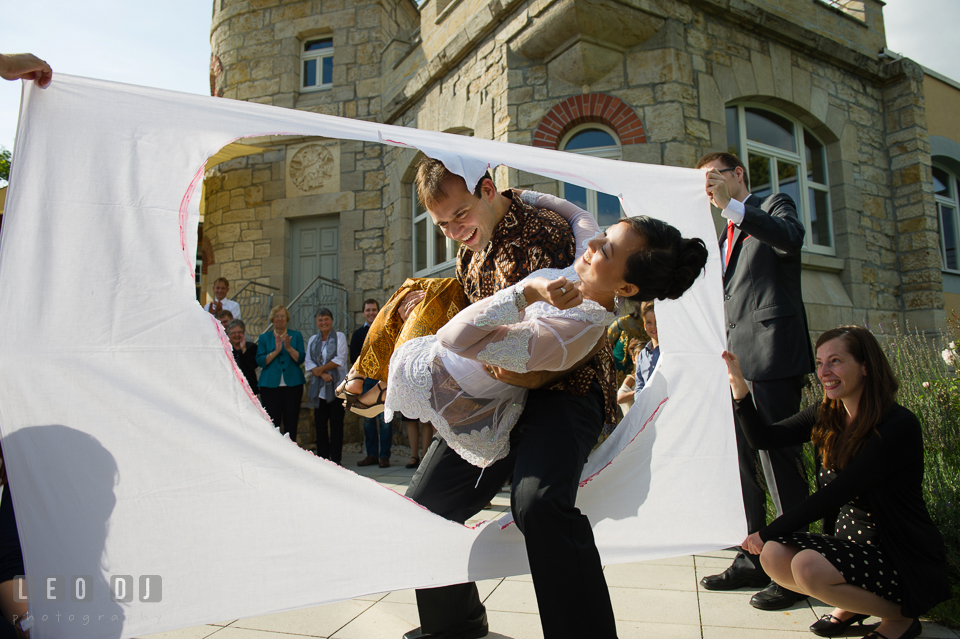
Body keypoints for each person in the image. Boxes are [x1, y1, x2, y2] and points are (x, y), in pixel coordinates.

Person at [383, 158, 706, 639]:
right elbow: (580, 224)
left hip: (567, 391)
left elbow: (581, 327)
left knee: (540, 505)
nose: (454, 230)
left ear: (487, 191)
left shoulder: (547, 235)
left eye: (460, 214)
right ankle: (456, 624)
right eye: (443, 224)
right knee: (424, 507)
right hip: (500, 395)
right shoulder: (469, 253)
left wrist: (530, 368)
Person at [385, 218, 706, 470]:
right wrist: (510, 197)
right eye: (605, 234)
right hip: (431, 355)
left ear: (626, 287)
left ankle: (371, 390)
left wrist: (530, 292)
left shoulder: (568, 332)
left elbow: (452, 339)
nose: (594, 243)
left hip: (441, 380)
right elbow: (577, 215)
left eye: (606, 249)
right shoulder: (587, 274)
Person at [725, 326, 950, 639]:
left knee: (805, 566)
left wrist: (766, 531)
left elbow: (836, 494)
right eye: (819, 363)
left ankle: (901, 618)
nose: (824, 372)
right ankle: (854, 604)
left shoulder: (897, 425)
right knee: (773, 556)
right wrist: (737, 382)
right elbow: (764, 438)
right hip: (849, 547)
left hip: (896, 553)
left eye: (835, 361)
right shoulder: (827, 415)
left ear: (865, 366)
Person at [696, 151, 814, 611]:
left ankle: (794, 569)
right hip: (733, 365)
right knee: (741, 466)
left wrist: (732, 206)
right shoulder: (721, 233)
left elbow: (790, 241)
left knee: (778, 466)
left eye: (714, 178)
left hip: (770, 357)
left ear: (737, 174)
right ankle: (753, 557)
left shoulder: (773, 205)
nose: (710, 188)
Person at [352, 299, 393, 468]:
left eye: (374, 309)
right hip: (366, 381)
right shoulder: (357, 335)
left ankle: (384, 456)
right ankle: (371, 455)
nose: (371, 312)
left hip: (383, 379)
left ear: (378, 311)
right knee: (368, 420)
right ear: (363, 313)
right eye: (368, 310)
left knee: (385, 419)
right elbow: (354, 360)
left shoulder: (386, 331)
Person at [256, 305, 305, 443]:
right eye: (276, 316)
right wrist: (275, 352)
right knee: (272, 423)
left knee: (291, 421)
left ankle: (292, 452)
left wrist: (288, 348)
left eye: (282, 316)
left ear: (287, 318)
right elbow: (260, 360)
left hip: (293, 384)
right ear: (272, 319)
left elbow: (300, 358)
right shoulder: (264, 337)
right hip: (270, 386)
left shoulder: (296, 335)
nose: (279, 319)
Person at [306, 308, 348, 464]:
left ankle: (336, 460)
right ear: (316, 322)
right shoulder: (312, 340)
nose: (323, 322)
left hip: (337, 388)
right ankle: (323, 459)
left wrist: (320, 369)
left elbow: (340, 359)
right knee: (320, 426)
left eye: (326, 319)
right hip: (320, 390)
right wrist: (322, 374)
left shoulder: (339, 337)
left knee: (336, 426)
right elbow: (309, 362)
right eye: (320, 320)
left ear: (331, 320)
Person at [632, 300, 659, 400]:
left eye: (657, 322)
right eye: (649, 322)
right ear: (644, 326)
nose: (653, 326)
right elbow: (639, 384)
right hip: (647, 407)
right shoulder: (642, 355)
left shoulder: (667, 351)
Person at [227, 319, 258, 395]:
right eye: (233, 333)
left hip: (248, 388)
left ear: (244, 332)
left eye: (240, 332)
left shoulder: (251, 347)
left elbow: (252, 366)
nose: (237, 335)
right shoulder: (225, 349)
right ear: (228, 334)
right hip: (230, 388)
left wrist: (244, 349)